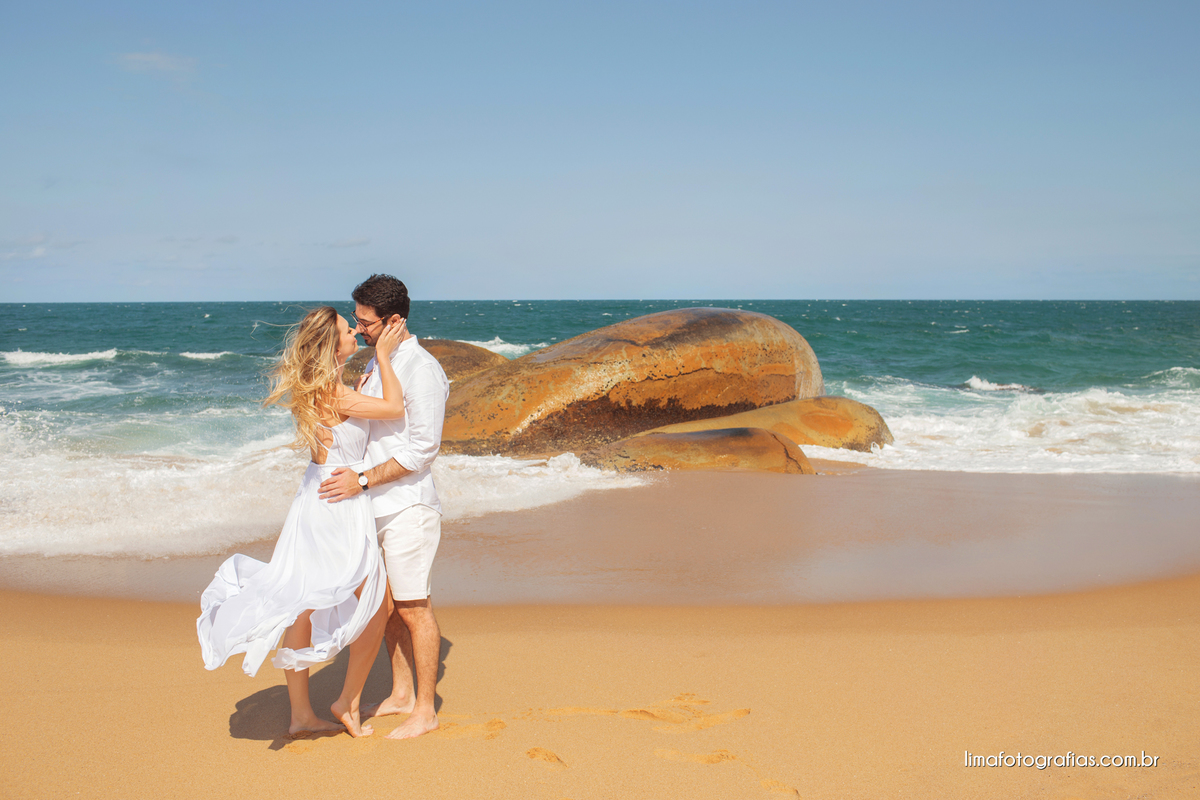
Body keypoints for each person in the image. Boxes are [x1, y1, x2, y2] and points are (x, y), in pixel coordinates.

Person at [197, 306, 406, 738]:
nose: (356, 333)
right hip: (338, 505)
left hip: (316, 498)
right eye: (350, 330)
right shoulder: (334, 394)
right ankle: (344, 704)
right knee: (377, 606)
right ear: (333, 346)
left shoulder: (318, 389)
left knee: (302, 607)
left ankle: (301, 715)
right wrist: (384, 355)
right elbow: (393, 407)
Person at [318, 274, 449, 740]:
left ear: (394, 320)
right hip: (371, 505)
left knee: (414, 607)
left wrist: (363, 479)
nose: (360, 329)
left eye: (366, 322)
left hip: (408, 506)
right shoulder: (381, 363)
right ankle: (399, 692)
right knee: (388, 607)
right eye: (356, 320)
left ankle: (426, 709)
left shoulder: (422, 370)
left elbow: (421, 450)